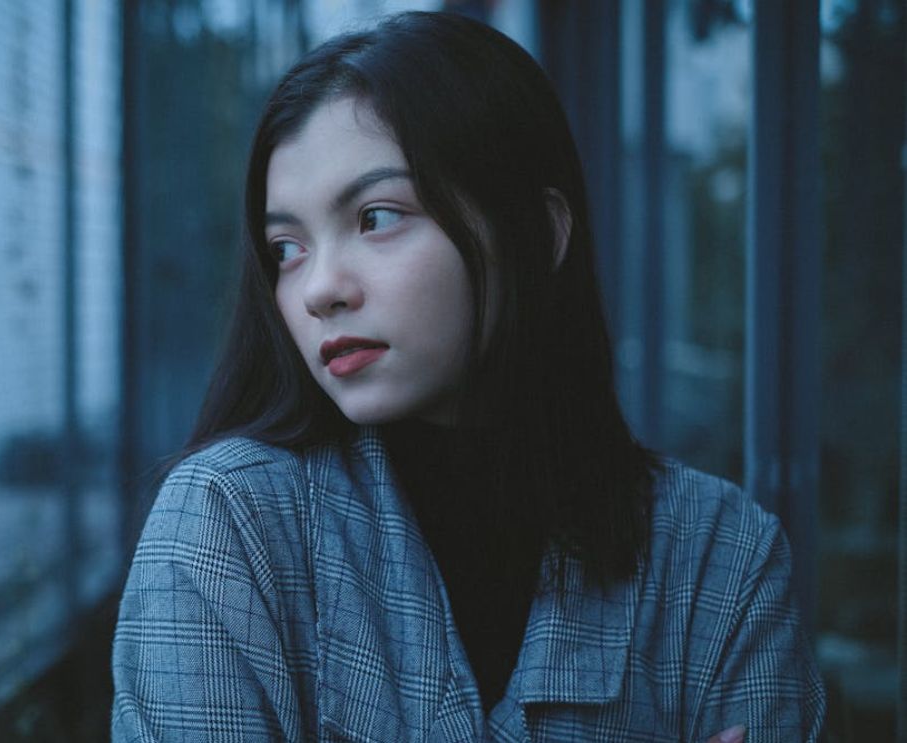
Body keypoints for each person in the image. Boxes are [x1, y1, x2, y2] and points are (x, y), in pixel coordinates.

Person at [111, 11, 825, 742]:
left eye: (377, 215)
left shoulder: (718, 551)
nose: (319, 286)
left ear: (535, 232)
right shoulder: (228, 522)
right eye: (286, 247)